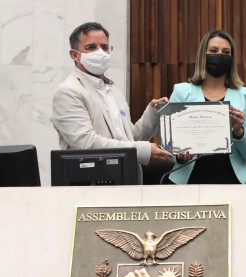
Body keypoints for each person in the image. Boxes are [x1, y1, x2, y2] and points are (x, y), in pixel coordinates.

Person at [51, 22, 172, 179]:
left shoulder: (112, 90)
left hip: (126, 179)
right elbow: (86, 143)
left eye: (104, 47)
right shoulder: (68, 91)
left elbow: (129, 141)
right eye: (91, 47)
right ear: (74, 55)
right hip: (93, 184)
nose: (100, 52)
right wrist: (144, 151)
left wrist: (153, 114)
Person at [166, 29, 246, 184]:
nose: (220, 55)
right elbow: (169, 147)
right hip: (189, 181)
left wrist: (238, 131)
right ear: (203, 55)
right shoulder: (181, 91)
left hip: (233, 181)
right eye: (214, 51)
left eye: (226, 52)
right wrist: (179, 156)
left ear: (232, 58)